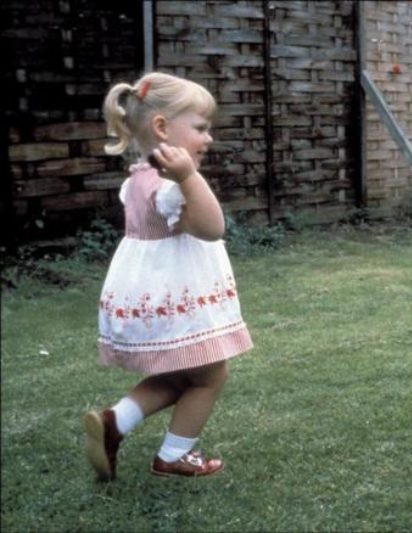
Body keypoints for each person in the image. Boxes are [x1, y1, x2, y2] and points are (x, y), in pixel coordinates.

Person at [83, 72, 253, 480]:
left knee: (183, 373)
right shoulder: (170, 184)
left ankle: (114, 422)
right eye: (200, 127)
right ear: (162, 127)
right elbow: (213, 228)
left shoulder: (137, 179)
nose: (208, 138)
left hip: (149, 294)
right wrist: (190, 178)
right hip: (177, 297)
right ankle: (175, 455)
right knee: (212, 374)